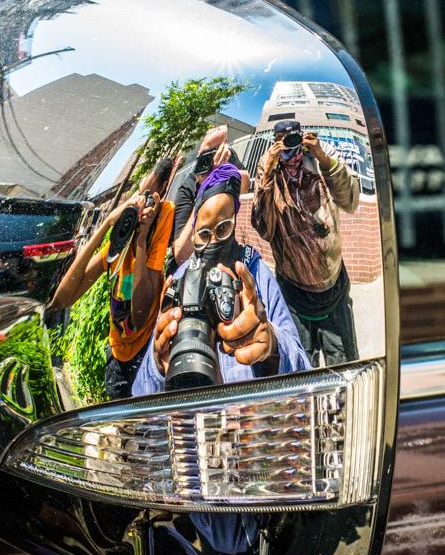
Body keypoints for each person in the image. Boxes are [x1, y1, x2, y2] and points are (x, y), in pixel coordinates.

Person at [132, 164, 309, 396]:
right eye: (204, 234)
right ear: (193, 231)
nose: (214, 241)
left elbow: (303, 369)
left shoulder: (253, 274)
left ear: (234, 223)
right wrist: (158, 364)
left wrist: (272, 347)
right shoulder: (180, 279)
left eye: (223, 229)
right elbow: (140, 393)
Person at [50, 157, 177, 399]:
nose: (140, 207)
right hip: (116, 356)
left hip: (143, 355)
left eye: (149, 197)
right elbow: (62, 299)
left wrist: (141, 241)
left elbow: (139, 317)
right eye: (139, 196)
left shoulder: (161, 220)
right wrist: (108, 223)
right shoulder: (117, 243)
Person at [251, 119, 361, 367]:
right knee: (301, 364)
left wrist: (324, 159)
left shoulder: (320, 156)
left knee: (344, 363)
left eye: (295, 139)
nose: (293, 148)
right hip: (294, 292)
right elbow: (264, 228)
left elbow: (351, 202)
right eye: (285, 141)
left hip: (334, 286)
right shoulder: (269, 167)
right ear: (275, 143)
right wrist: (268, 173)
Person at [171, 125, 251, 265]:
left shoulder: (227, 171)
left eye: (217, 152)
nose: (214, 160)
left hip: (224, 256)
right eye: (207, 154)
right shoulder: (188, 187)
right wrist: (205, 188)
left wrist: (223, 173)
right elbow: (181, 255)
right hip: (193, 265)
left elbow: (246, 184)